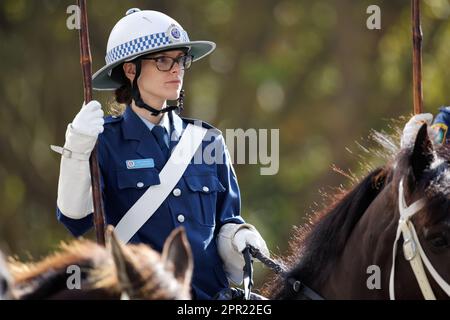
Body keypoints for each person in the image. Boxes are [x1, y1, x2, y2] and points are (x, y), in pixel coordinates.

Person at [53, 8, 269, 299]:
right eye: (163, 60)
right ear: (131, 70)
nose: (176, 69)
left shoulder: (207, 141)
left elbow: (226, 220)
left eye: (181, 60)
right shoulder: (103, 141)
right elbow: (74, 219)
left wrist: (238, 236)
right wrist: (77, 150)